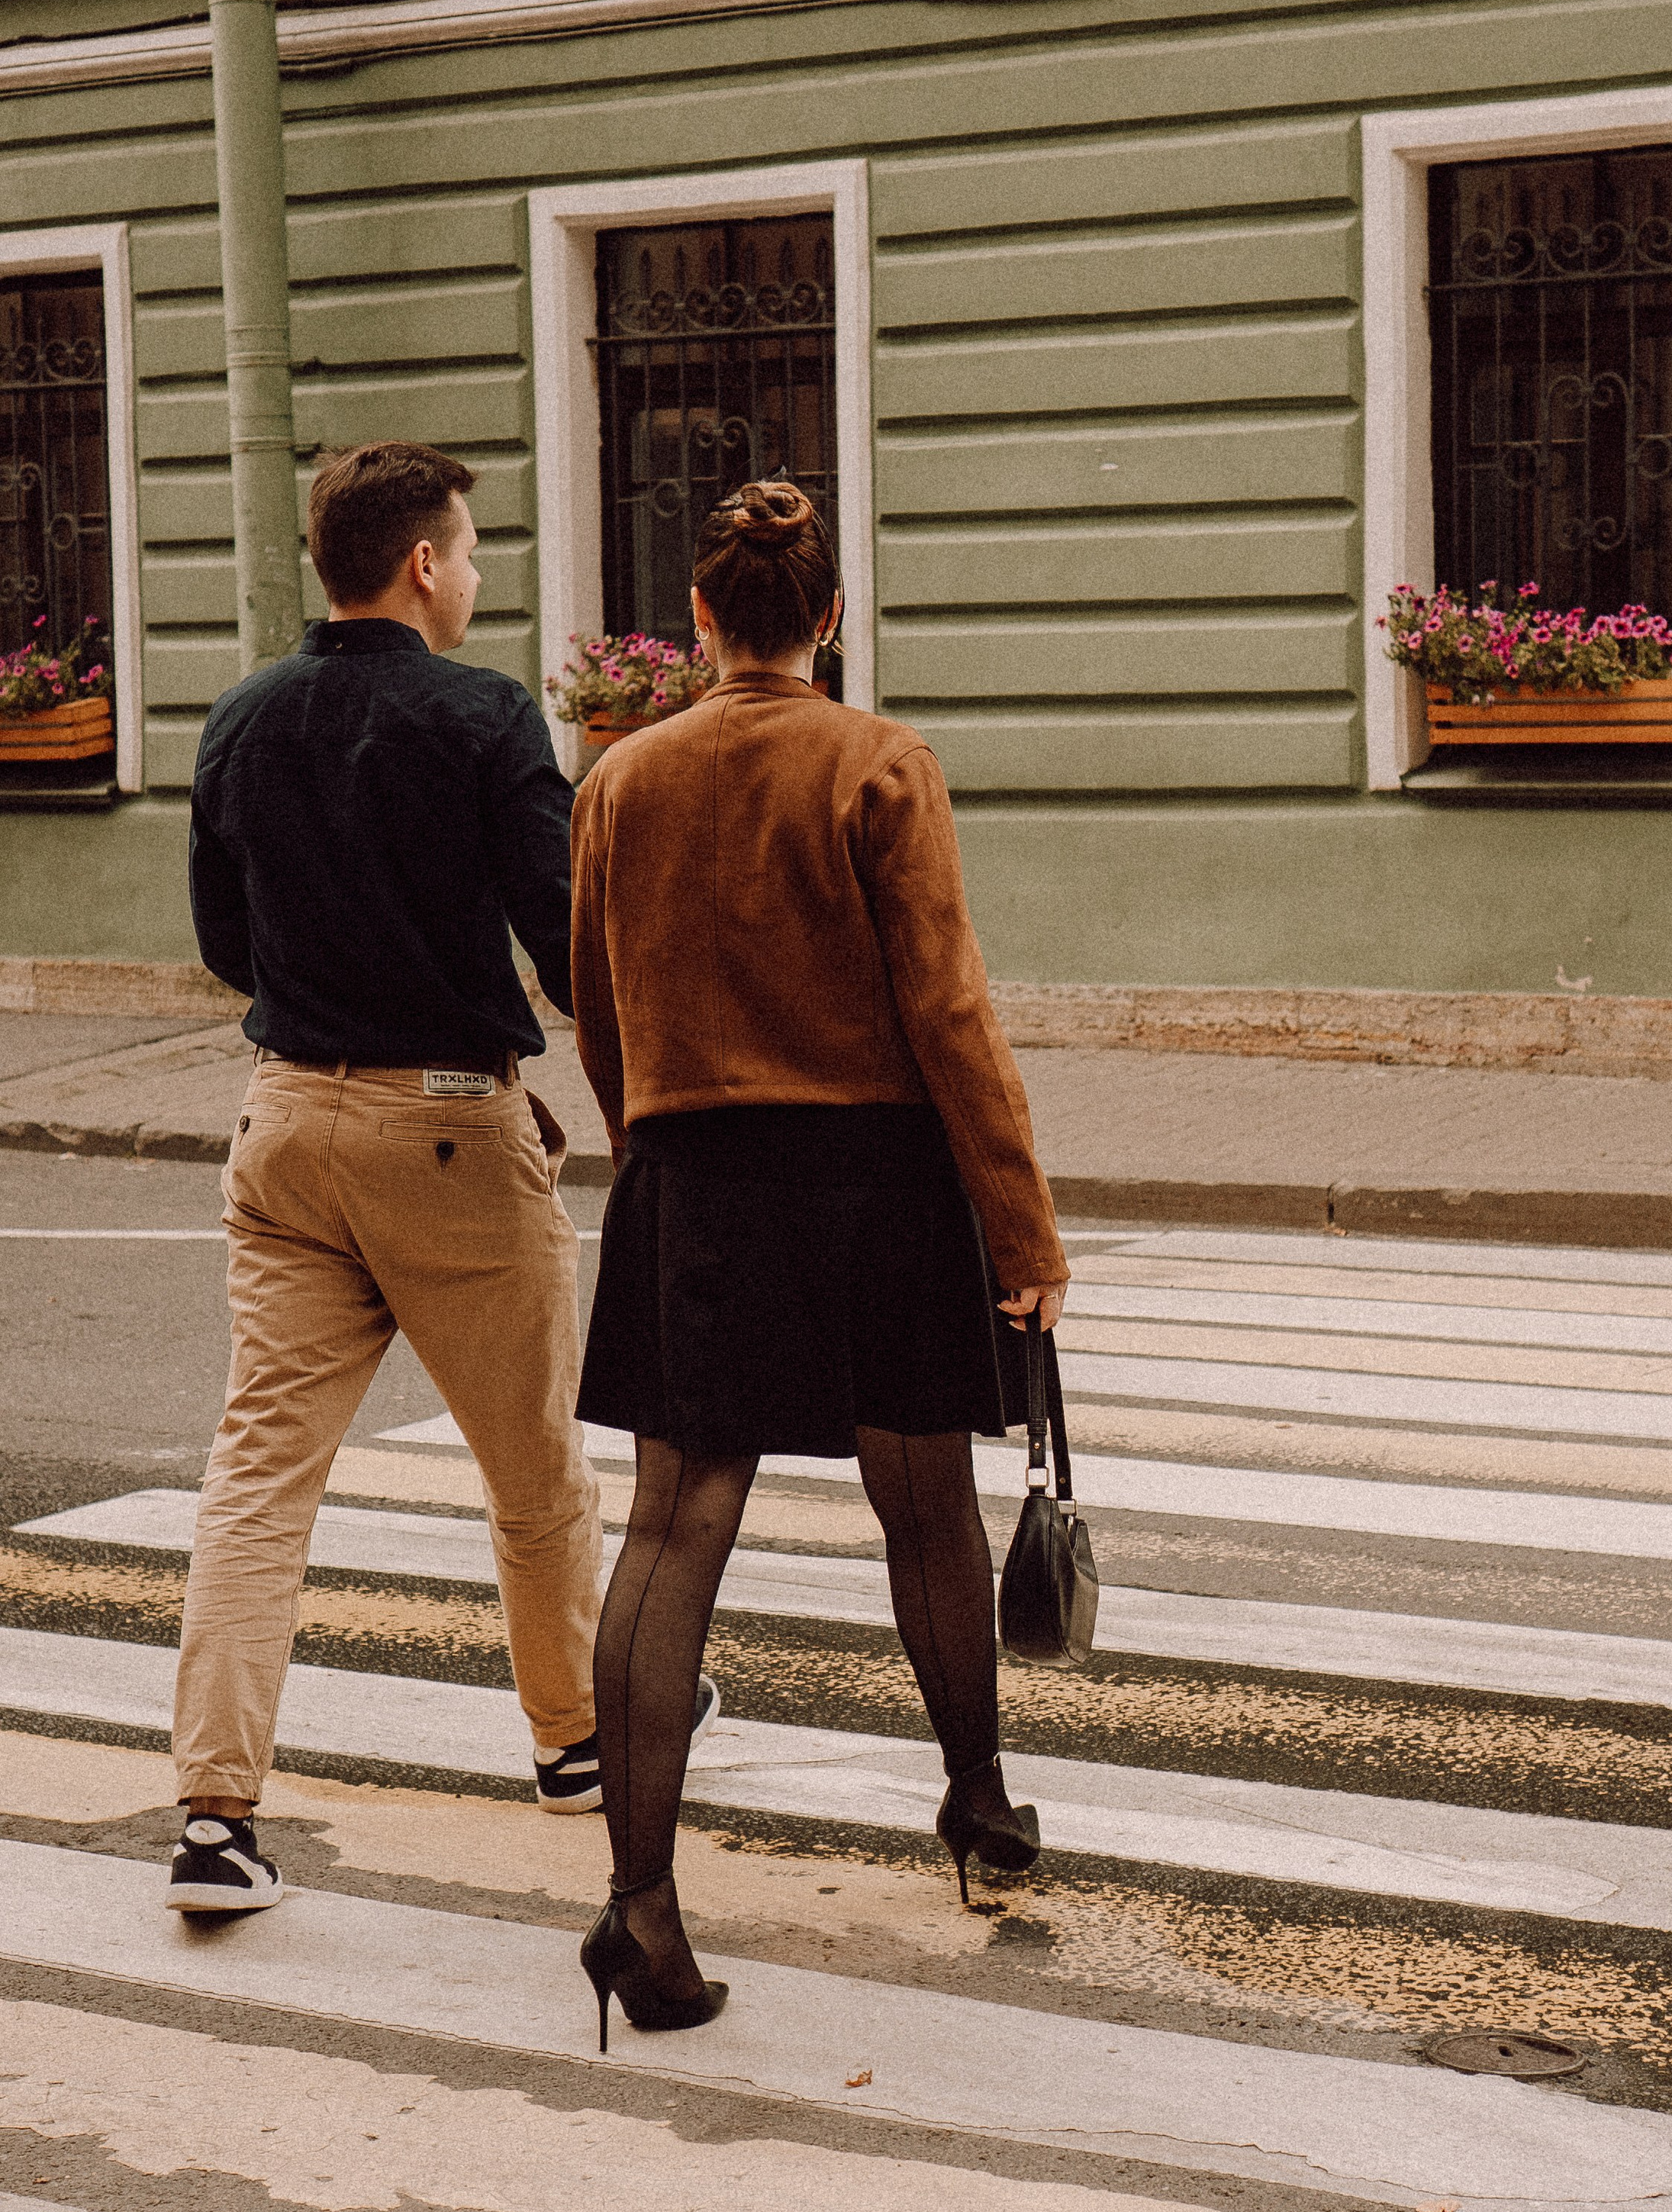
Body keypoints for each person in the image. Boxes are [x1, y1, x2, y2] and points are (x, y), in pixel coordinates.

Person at [569, 477, 1069, 2044]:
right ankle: (976, 1798)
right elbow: (948, 1011)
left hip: (698, 1181)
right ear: (831, 619)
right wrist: (1021, 1225)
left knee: (672, 1529)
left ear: (697, 620)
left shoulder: (620, 777)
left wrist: (656, 1147)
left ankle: (640, 1903)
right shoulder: (879, 762)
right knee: (924, 1499)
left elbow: (597, 1004)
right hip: (880, 1184)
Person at [168, 442, 700, 1913]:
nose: (471, 575)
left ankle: (213, 1819)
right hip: (454, 1127)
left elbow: (224, 945)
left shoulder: (240, 717)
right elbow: (564, 936)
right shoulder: (481, 713)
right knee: (533, 1471)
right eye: (466, 551)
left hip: (284, 1126)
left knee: (259, 1480)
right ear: (421, 564)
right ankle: (574, 1740)